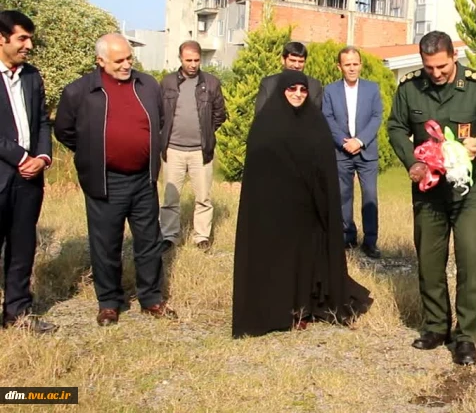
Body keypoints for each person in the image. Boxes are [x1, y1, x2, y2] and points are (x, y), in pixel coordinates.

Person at [386, 30, 476, 366]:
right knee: (429, 258)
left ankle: (466, 337)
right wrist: (412, 161)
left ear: (454, 57)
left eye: (441, 66)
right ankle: (436, 326)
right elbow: (396, 126)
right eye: (429, 67)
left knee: (469, 260)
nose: (436, 74)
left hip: (469, 192)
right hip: (428, 190)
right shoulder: (410, 87)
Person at [232, 69, 373, 338]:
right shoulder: (266, 123)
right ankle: (277, 309)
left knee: (305, 258)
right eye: (291, 89)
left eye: (302, 90)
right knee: (278, 260)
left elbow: (324, 165)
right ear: (282, 91)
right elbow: (258, 167)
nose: (297, 94)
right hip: (275, 209)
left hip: (306, 208)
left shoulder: (315, 121)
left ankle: (303, 308)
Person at [54, 33, 177, 326]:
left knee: (149, 241)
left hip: (143, 180)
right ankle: (109, 302)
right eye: (118, 60)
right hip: (105, 181)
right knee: (106, 244)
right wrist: (93, 153)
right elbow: (64, 131)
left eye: (129, 59)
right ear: (101, 61)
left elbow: (160, 121)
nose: (126, 65)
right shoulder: (79, 91)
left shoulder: (147, 85)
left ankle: (151, 298)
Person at [0, 10, 55, 333]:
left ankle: (17, 312)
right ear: (2, 38)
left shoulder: (32, 76)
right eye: (22, 38)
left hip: (29, 180)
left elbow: (42, 123)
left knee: (22, 248)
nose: (29, 45)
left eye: (30, 38)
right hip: (6, 173)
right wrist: (22, 156)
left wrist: (43, 157)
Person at [159, 40, 227, 252]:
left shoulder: (212, 83)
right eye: (188, 60)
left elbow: (219, 114)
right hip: (173, 149)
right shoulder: (167, 83)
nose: (193, 64)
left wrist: (205, 133)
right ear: (180, 58)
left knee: (204, 197)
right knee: (170, 197)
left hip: (201, 151)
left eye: (196, 60)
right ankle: (169, 236)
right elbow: (159, 114)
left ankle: (201, 237)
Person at [322, 46, 383, 258]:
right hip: (342, 152)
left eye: (355, 64)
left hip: (366, 153)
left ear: (361, 65)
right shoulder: (330, 91)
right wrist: (343, 141)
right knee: (343, 196)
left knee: (370, 196)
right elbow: (327, 118)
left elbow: (377, 117)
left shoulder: (372, 88)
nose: (351, 68)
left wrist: (360, 141)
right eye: (347, 64)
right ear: (339, 66)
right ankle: (347, 236)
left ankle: (370, 241)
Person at [254, 41, 323, 112]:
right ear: (283, 60)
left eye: (301, 62)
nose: (297, 65)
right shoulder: (269, 84)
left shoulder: (314, 86)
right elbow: (260, 114)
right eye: (292, 60)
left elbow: (315, 116)